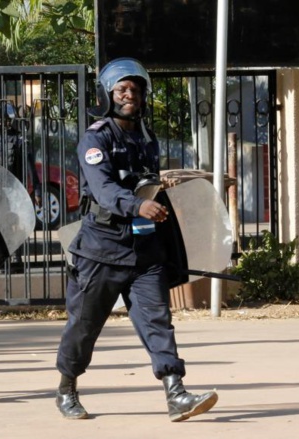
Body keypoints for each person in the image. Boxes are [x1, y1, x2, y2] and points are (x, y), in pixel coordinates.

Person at [55, 58, 218, 421]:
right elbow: (103, 189)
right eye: (122, 90)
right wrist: (138, 205)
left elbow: (145, 181)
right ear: (107, 96)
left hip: (145, 251)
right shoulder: (95, 138)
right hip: (101, 250)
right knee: (84, 327)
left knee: (158, 321)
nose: (130, 95)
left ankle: (176, 392)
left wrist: (158, 194)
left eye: (136, 89)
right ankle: (67, 387)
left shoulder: (146, 137)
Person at [0, 102, 42, 272]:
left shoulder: (20, 140)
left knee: (16, 224)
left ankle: (17, 258)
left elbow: (30, 168)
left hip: (16, 189)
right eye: (0, 119)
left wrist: (37, 191)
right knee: (0, 225)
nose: (2, 123)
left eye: (5, 119)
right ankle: (3, 259)